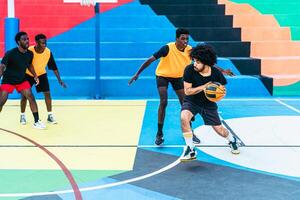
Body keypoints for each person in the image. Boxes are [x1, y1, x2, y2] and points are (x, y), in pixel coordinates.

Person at [129, 28, 233, 145]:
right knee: (163, 101)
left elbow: (205, 62)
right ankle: (159, 133)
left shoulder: (189, 50)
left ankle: (190, 133)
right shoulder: (167, 48)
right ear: (176, 39)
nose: (185, 41)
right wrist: (137, 74)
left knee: (185, 104)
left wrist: (223, 71)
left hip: (178, 77)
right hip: (163, 76)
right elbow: (150, 59)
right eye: (183, 38)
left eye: (187, 39)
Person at [180, 44, 239, 162]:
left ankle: (232, 140)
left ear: (206, 62)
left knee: (220, 130)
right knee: (184, 117)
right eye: (194, 61)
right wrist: (204, 87)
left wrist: (220, 93)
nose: (194, 64)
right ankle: (191, 149)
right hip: (192, 101)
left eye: (197, 62)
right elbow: (187, 91)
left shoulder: (216, 73)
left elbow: (221, 89)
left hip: (208, 104)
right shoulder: (189, 70)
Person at [0, 32, 46, 129]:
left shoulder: (30, 53)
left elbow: (29, 65)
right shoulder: (10, 53)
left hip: (21, 80)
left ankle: (37, 121)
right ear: (18, 42)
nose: (27, 41)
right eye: (24, 39)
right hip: (8, 80)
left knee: (31, 96)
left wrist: (35, 75)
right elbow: (2, 66)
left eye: (27, 39)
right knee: (2, 101)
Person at [20, 34, 66, 125]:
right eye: (42, 43)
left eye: (45, 43)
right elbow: (28, 65)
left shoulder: (48, 52)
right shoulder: (29, 51)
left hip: (41, 74)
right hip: (28, 74)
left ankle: (50, 115)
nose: (44, 45)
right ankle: (22, 115)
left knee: (47, 93)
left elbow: (54, 67)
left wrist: (59, 80)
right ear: (36, 43)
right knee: (24, 96)